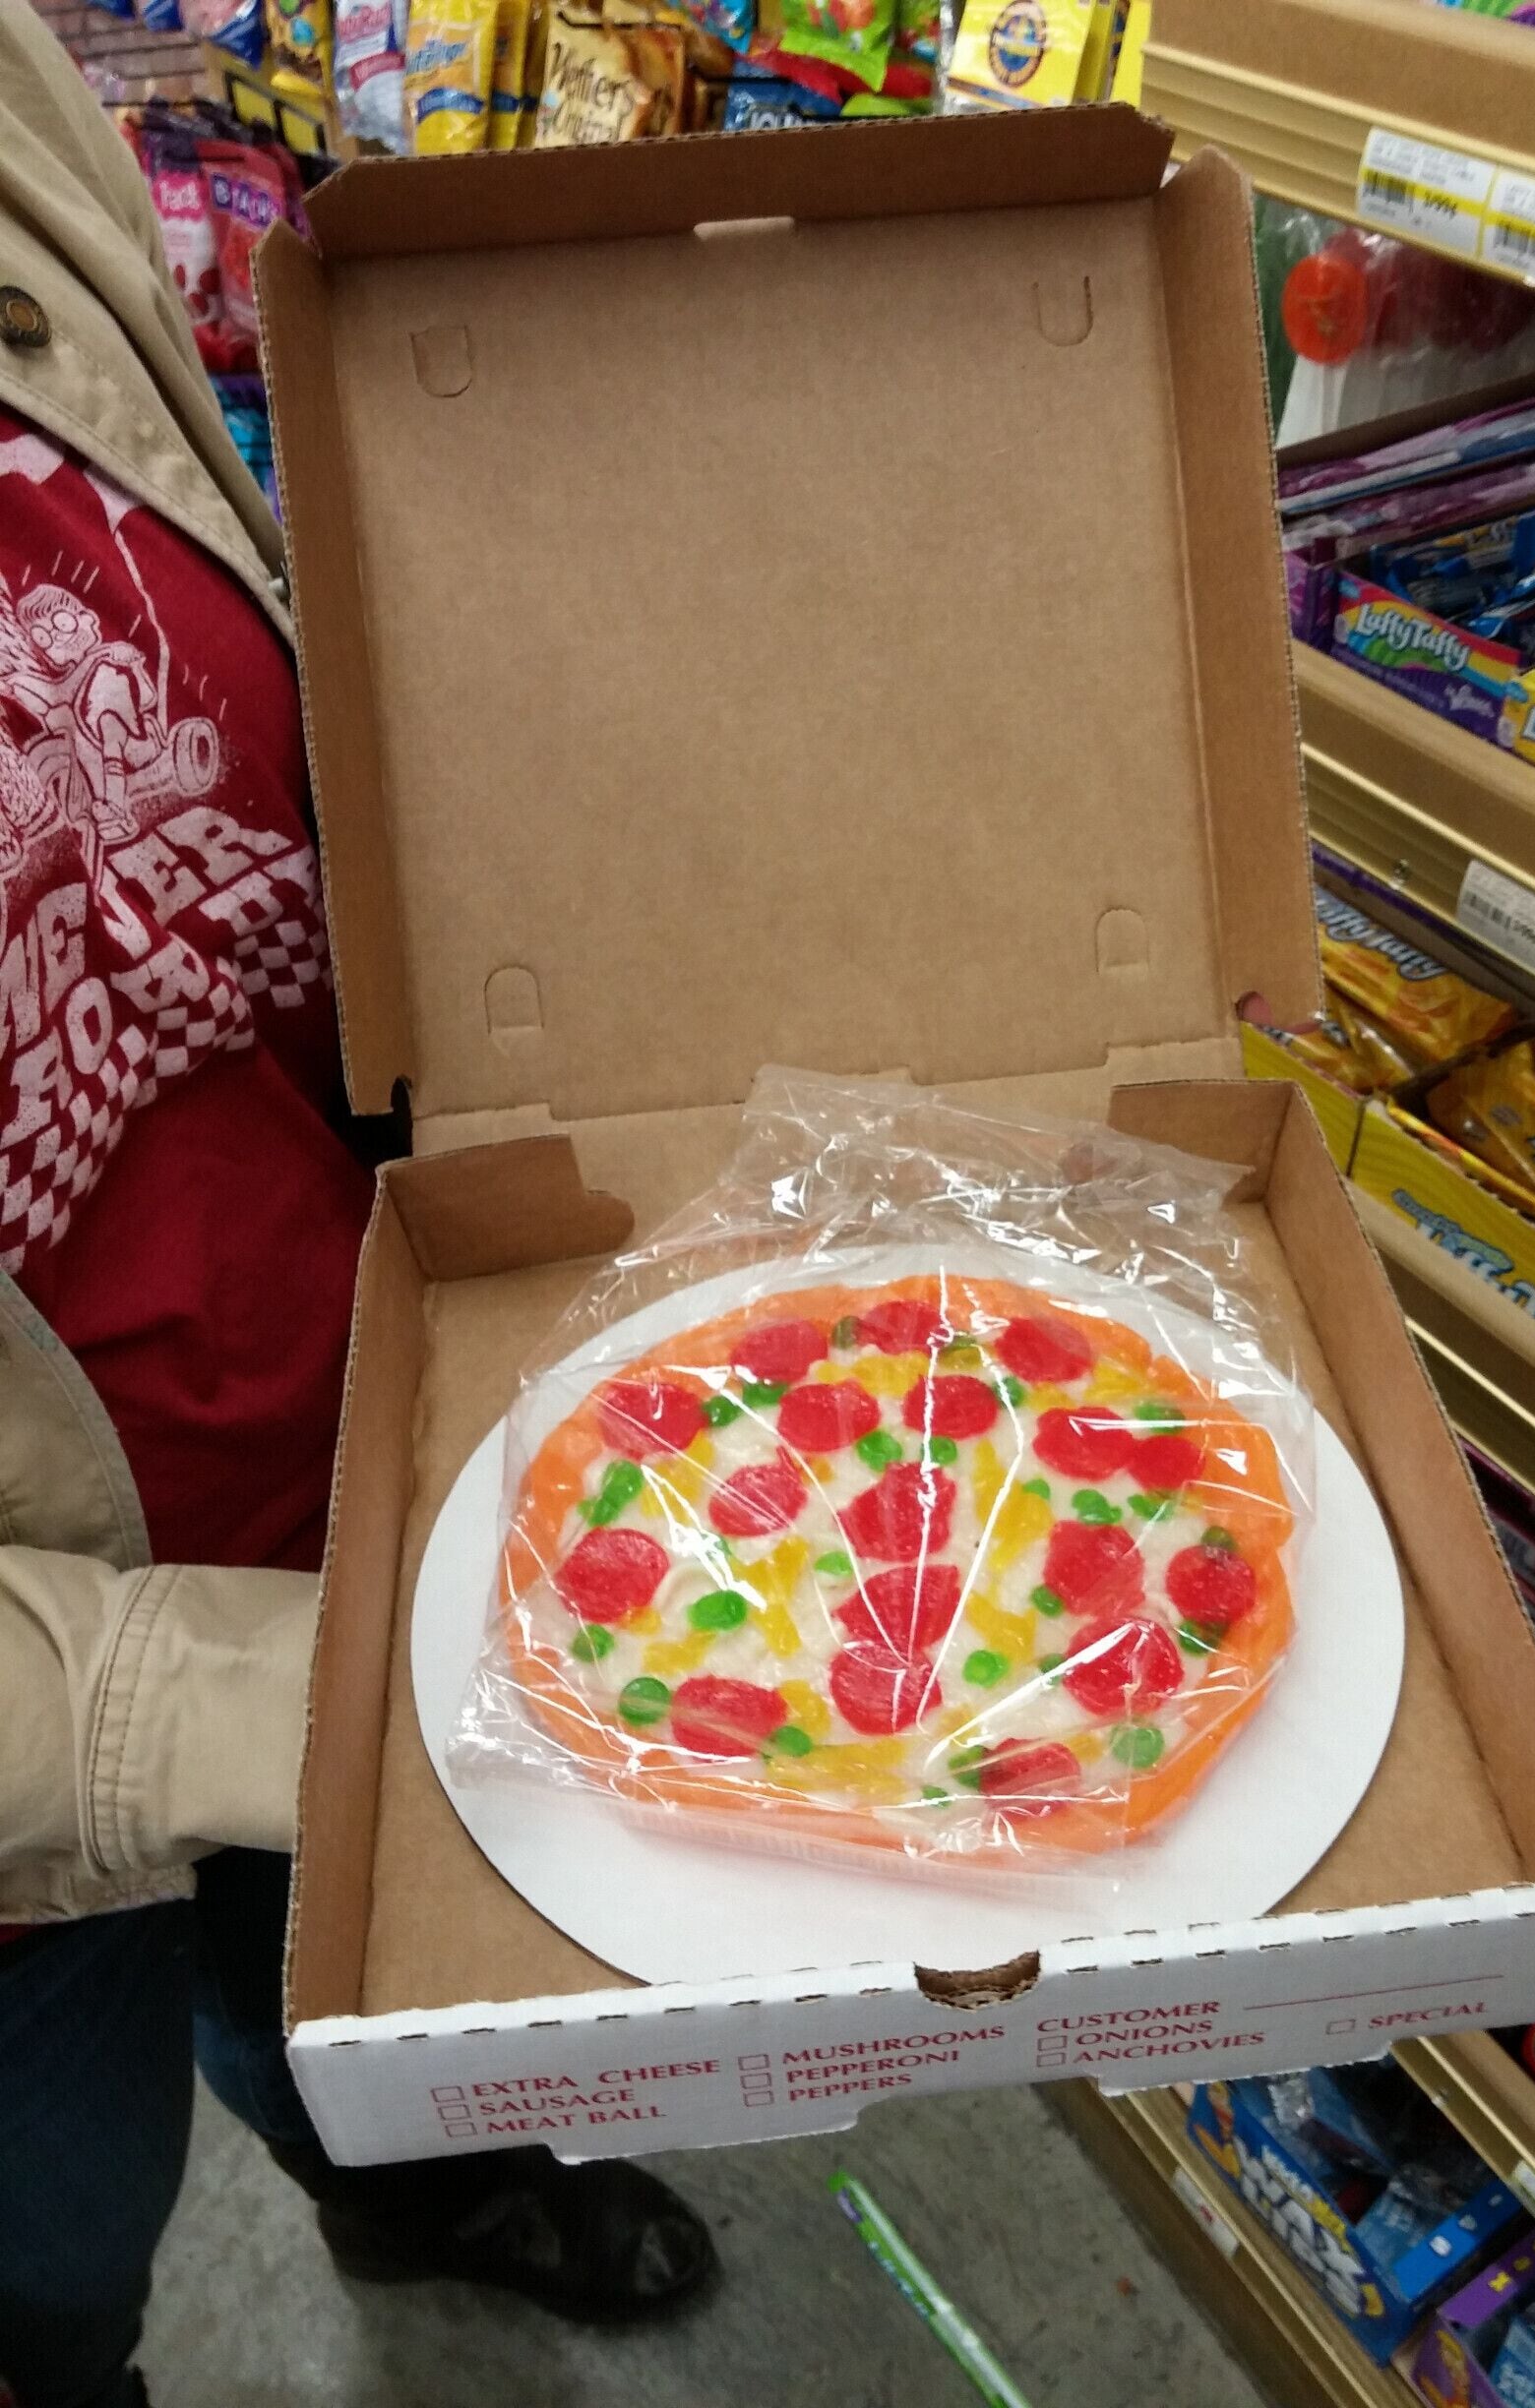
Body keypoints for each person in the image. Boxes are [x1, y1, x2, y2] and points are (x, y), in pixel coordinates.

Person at [0, 9, 715, 2402]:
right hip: (44, 1796)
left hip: (366, 1456)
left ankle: (414, 2199)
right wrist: (279, 1699)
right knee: (54, 2259)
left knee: (369, 2011)